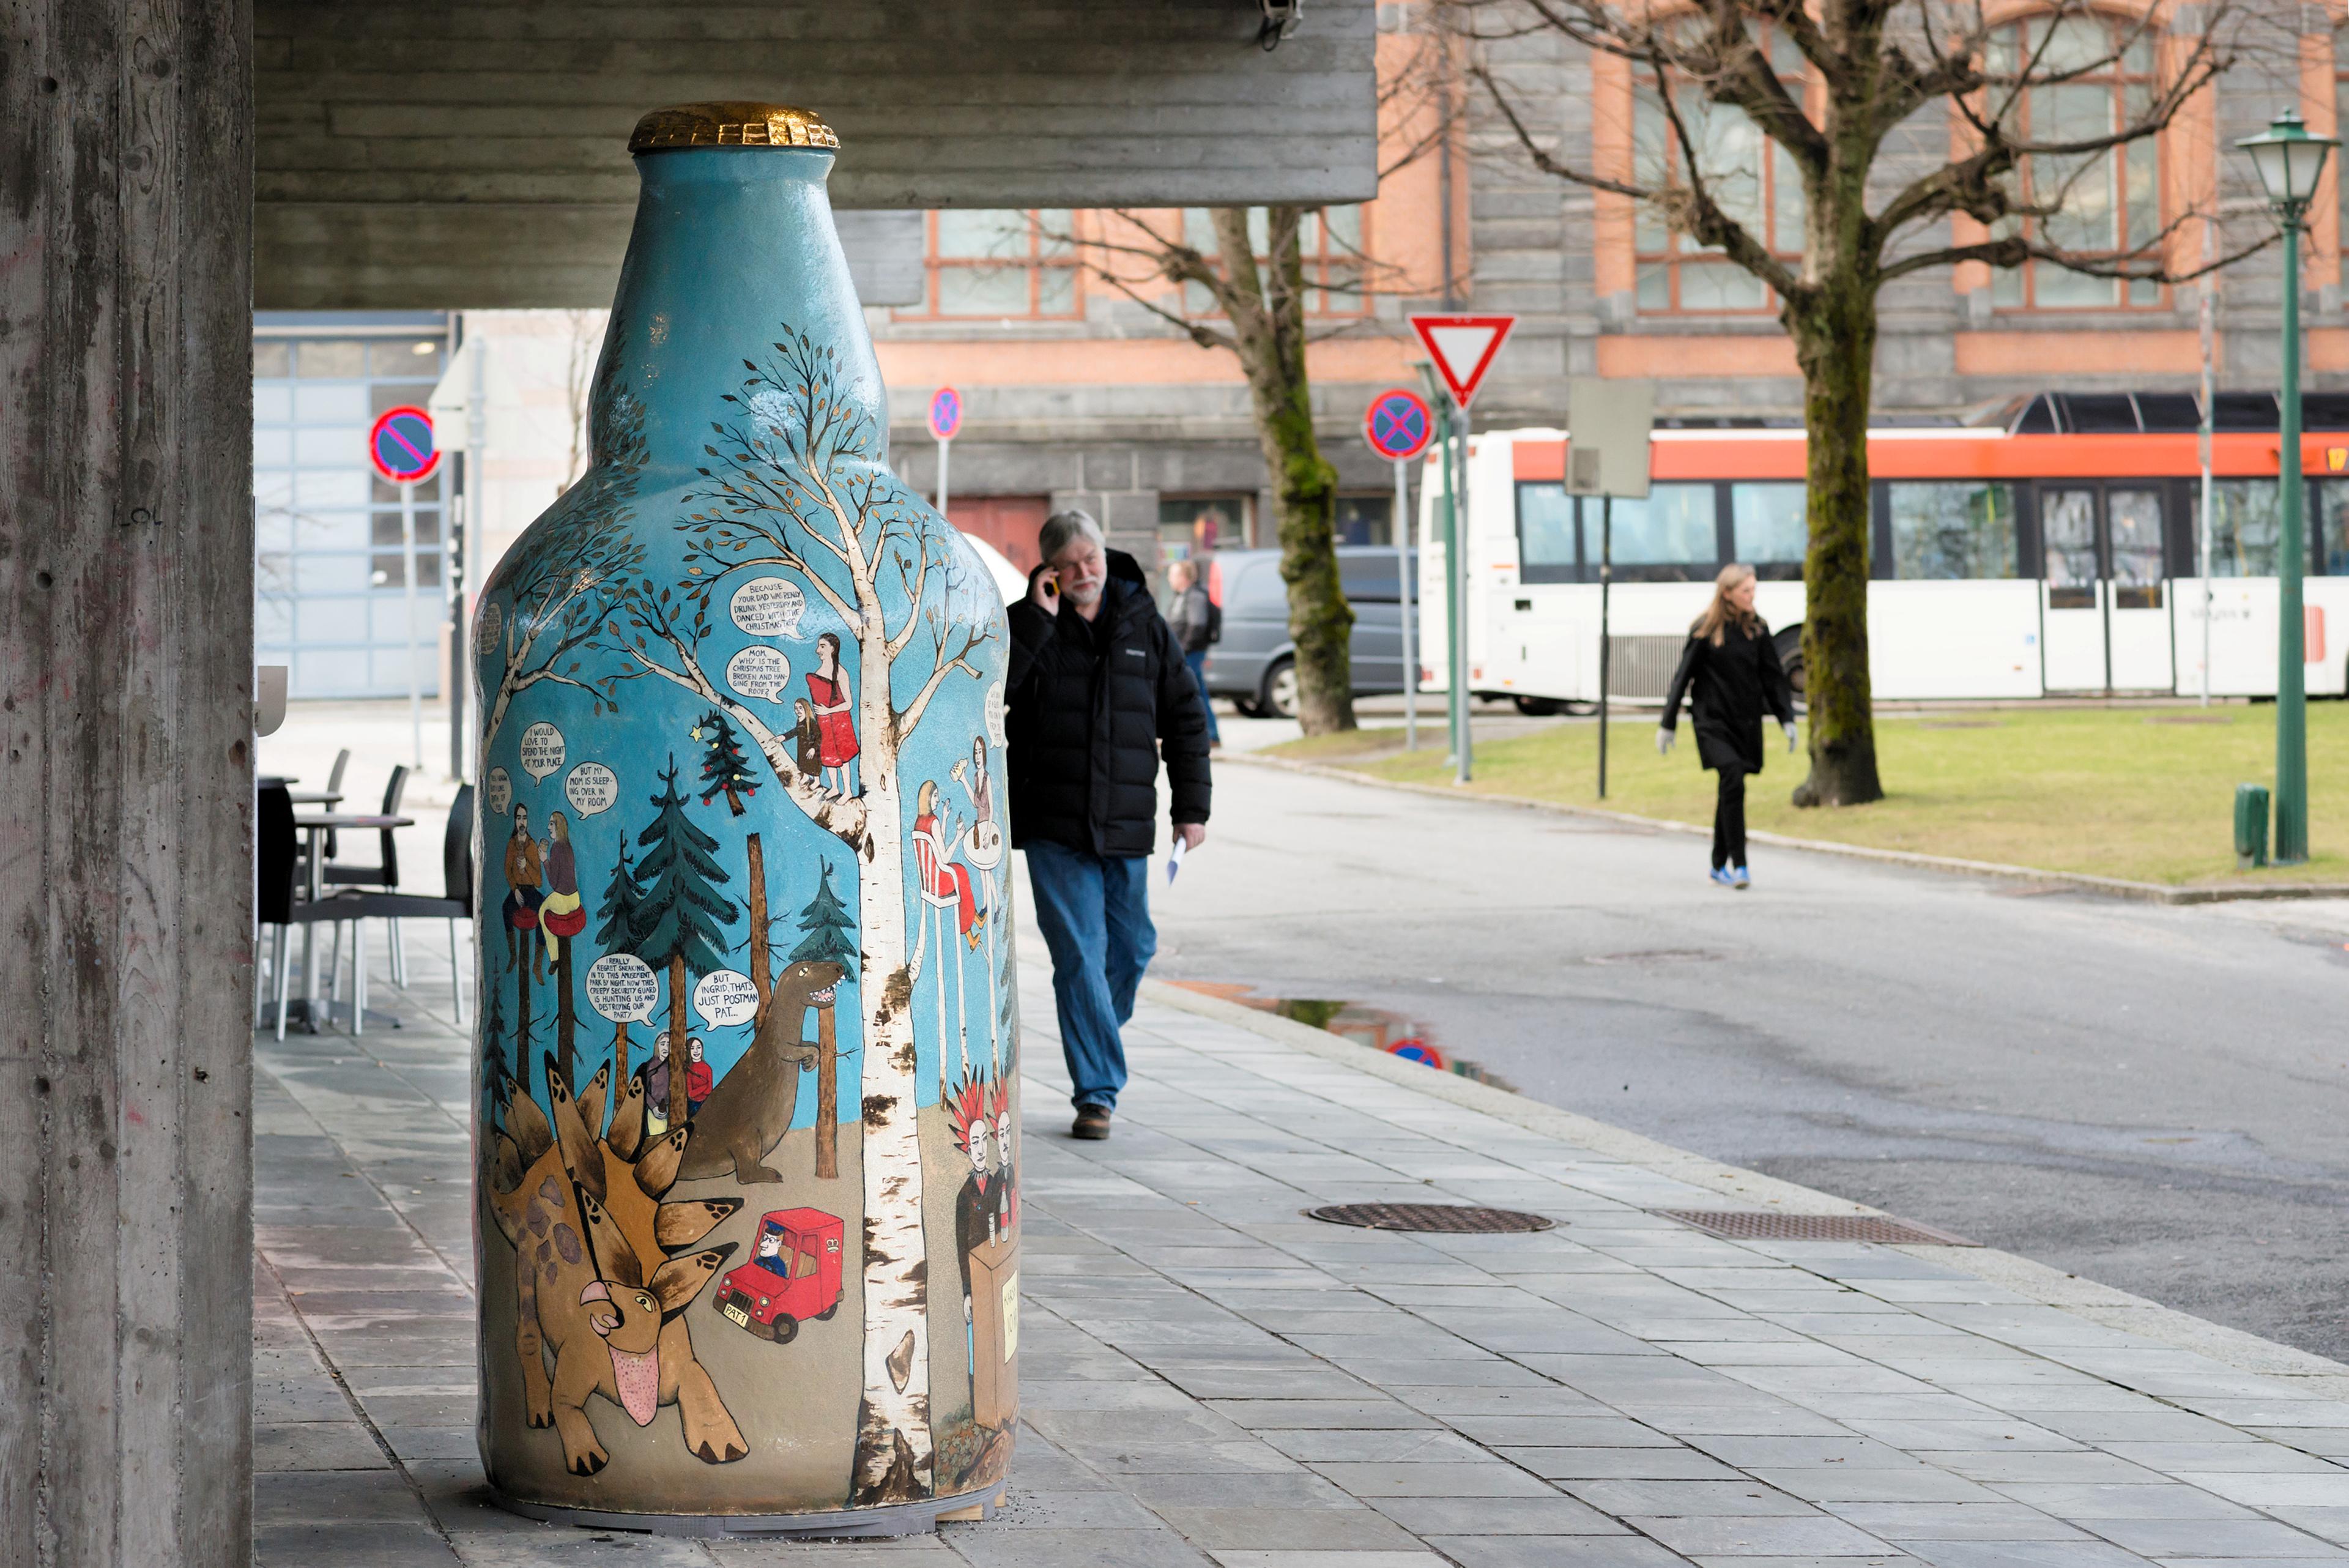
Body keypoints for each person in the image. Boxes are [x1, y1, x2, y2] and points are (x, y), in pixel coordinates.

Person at [1007, 508, 1210, 1141]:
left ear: (1104, 553)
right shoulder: (1028, 625)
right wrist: (1037, 619)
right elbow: (996, 690)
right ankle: (1096, 1093)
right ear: (1049, 572)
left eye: (1089, 559)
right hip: (1052, 821)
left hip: (1124, 821)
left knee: (1132, 948)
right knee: (1079, 956)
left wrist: (1192, 808)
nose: (1082, 573)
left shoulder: (1143, 621)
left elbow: (1184, 715)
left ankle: (1092, 1033)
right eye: (1066, 566)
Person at [1657, 563, 1797, 890]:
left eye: (1754, 590)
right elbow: (1683, 678)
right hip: (1712, 723)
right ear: (1728, 593)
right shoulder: (1705, 629)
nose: (1752, 596)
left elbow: (1773, 678)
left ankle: (1717, 864)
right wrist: (1668, 723)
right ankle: (1740, 865)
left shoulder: (1758, 629)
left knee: (1730, 787)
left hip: (1745, 723)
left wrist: (1786, 717)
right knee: (1732, 776)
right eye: (1746, 590)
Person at [1164, 557, 1221, 747]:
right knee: (1193, 692)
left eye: (1172, 575)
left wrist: (1182, 649)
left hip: (1191, 653)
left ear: (1183, 577)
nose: (1169, 579)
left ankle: (1211, 735)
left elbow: (1197, 625)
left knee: (1194, 692)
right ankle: (1206, 734)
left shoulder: (1194, 596)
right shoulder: (1180, 597)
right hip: (1184, 653)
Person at [806, 632, 859, 795]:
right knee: (828, 754)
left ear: (833, 649)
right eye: (818, 646)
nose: (818, 650)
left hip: (839, 721)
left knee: (842, 756)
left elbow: (849, 704)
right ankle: (835, 788)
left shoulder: (841, 673)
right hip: (823, 721)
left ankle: (848, 791)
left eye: (822, 646)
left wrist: (829, 711)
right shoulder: (819, 671)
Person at [501, 804, 544, 982]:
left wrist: (527, 868)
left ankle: (537, 965)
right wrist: (515, 889)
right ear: (514, 821)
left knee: (543, 913)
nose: (522, 822)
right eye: (519, 818)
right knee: (506, 908)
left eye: (524, 818)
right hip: (518, 890)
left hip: (531, 891)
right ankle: (513, 955)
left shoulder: (532, 846)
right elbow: (507, 869)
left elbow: (539, 881)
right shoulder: (512, 844)